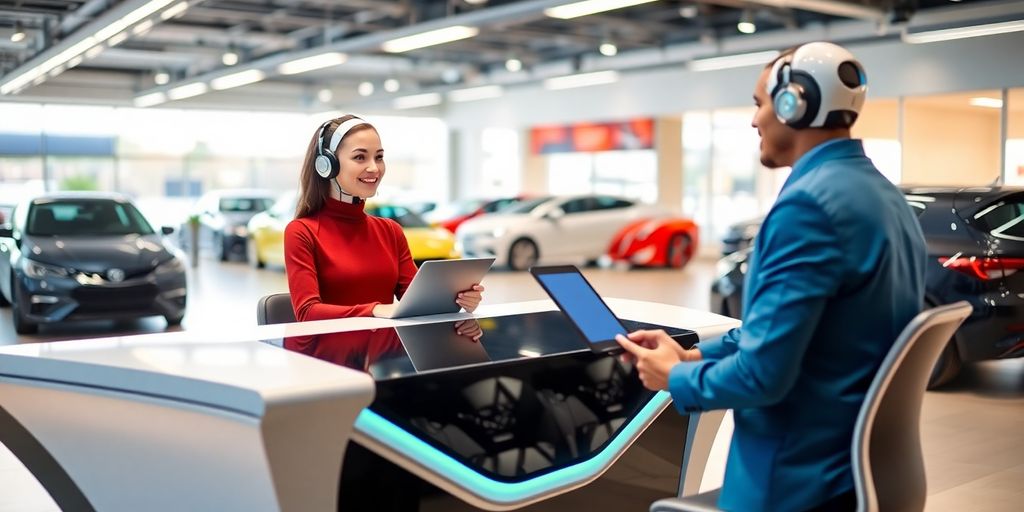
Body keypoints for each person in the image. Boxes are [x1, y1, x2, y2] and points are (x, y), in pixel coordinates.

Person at [616, 42, 927, 511]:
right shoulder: (883, 195)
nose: (754, 119)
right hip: (857, 471)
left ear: (792, 104)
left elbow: (762, 378)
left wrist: (675, 377)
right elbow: (787, 331)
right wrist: (694, 352)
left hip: (792, 484)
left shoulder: (808, 208)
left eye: (760, 103)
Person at [284, 114, 484, 336]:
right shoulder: (302, 232)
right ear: (326, 165)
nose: (374, 168)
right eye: (360, 157)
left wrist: (460, 301)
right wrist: (376, 309)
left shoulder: (390, 230)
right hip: (329, 358)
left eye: (378, 157)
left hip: (384, 360)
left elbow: (417, 302)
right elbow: (307, 312)